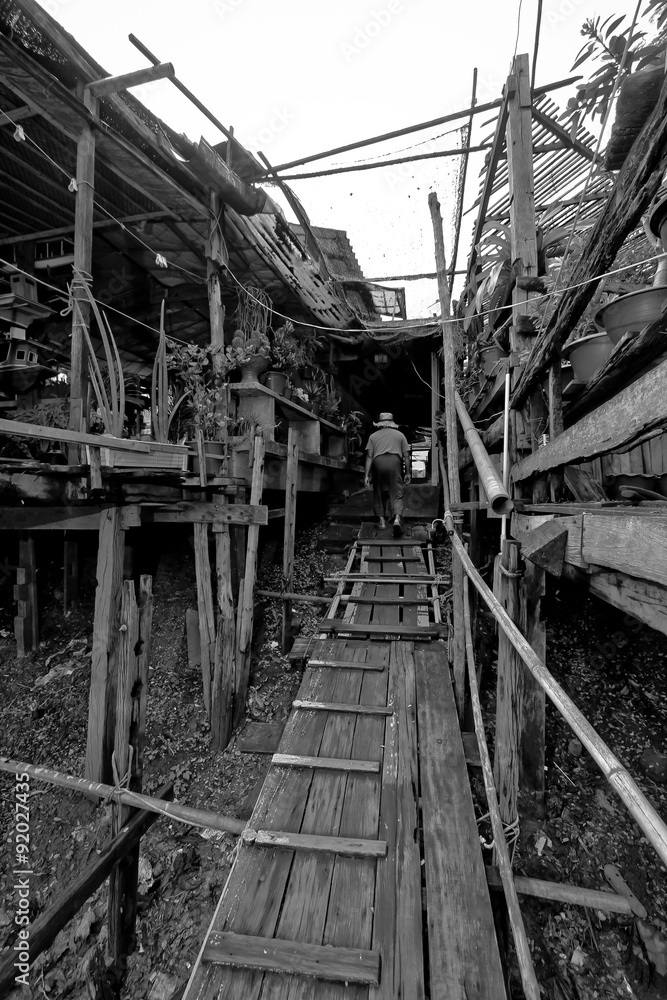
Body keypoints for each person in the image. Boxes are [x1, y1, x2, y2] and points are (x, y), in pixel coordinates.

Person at [364, 412, 410, 535]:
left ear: (380, 424)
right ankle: (396, 519)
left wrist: (367, 475)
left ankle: (382, 522)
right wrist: (408, 473)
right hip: (394, 462)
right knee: (397, 493)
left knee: (378, 492)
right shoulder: (400, 435)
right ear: (392, 423)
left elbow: (369, 456)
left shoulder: (373, 436)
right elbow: (406, 457)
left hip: (378, 463)